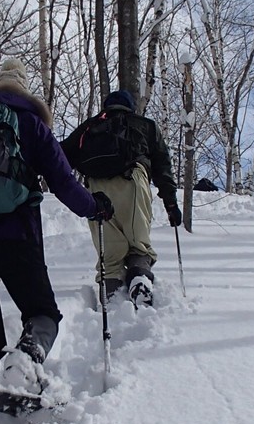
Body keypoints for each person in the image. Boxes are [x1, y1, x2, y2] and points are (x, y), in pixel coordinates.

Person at [0, 57, 112, 424]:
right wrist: (95, 207)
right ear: (24, 89)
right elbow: (64, 183)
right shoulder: (30, 123)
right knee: (42, 313)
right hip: (14, 236)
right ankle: (26, 362)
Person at [63, 89, 181, 307]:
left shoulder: (88, 128)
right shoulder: (145, 125)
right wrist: (171, 203)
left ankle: (111, 296)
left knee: (110, 252)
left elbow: (60, 158)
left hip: (96, 189)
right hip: (133, 182)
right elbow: (162, 166)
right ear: (130, 107)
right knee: (138, 244)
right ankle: (139, 279)